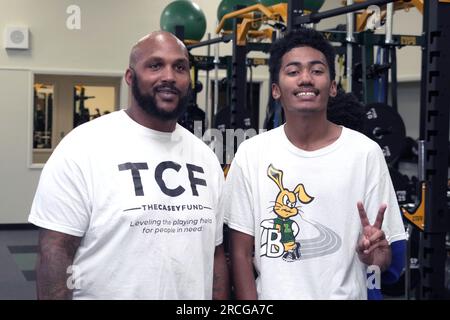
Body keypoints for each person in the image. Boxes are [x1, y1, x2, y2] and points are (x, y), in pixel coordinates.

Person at [28, 31, 229, 300]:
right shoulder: (83, 148)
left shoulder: (206, 159)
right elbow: (55, 251)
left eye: (179, 67)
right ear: (130, 77)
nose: (169, 76)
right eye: (155, 65)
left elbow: (215, 255)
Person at [220, 28, 406, 299]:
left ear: (332, 86)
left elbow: (383, 261)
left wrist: (378, 257)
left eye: (317, 70)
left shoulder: (365, 153)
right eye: (293, 71)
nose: (305, 79)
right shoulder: (251, 154)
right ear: (275, 89)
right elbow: (239, 251)